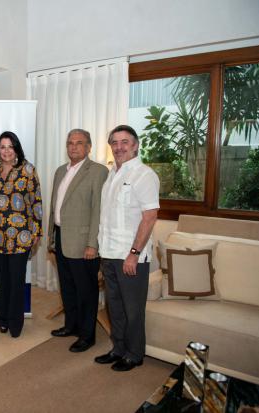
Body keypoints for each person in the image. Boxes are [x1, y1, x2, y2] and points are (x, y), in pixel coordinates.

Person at [94, 125, 159, 372]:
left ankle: (135, 354)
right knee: (115, 307)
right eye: (115, 142)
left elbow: (150, 217)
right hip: (109, 253)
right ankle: (118, 348)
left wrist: (133, 254)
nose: (119, 147)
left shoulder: (144, 175)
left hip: (130, 257)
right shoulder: (112, 175)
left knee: (133, 310)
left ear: (135, 145)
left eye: (124, 142)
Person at [48, 129, 108, 352]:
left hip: (84, 243)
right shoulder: (59, 171)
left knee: (86, 291)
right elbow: (56, 206)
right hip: (61, 237)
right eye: (70, 143)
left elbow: (98, 211)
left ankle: (87, 335)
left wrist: (93, 243)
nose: (73, 147)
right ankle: (71, 326)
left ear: (89, 147)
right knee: (68, 287)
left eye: (79, 143)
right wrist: (51, 238)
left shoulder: (98, 171)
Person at [0, 131, 42, 338]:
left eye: (10, 146)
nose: (6, 151)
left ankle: (16, 322)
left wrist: (37, 231)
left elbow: (36, 201)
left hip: (21, 235)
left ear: (16, 149)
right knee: (1, 280)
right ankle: (2, 320)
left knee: (16, 281)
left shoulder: (28, 170)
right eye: (2, 147)